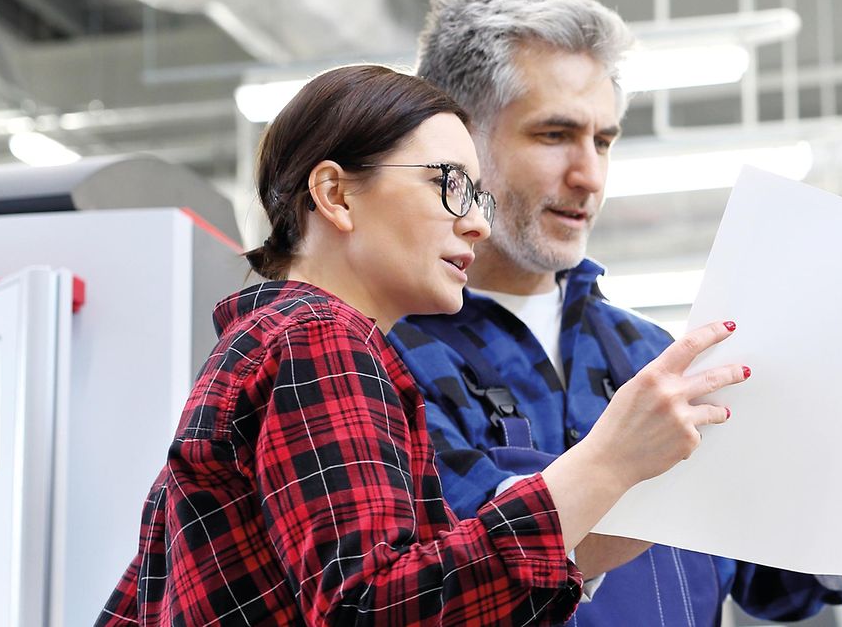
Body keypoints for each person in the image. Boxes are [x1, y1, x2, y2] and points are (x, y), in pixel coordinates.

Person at [388, 0, 842, 625]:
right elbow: (451, 573)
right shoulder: (382, 355)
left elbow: (789, 573)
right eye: (555, 134)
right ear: (459, 143)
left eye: (603, 139)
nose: (590, 175)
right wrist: (640, 475)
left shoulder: (657, 358)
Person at [99, 65, 752, 625]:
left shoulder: (280, 341)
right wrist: (604, 464)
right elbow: (373, 610)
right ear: (335, 194)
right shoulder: (320, 337)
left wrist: (600, 525)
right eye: (449, 184)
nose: (475, 219)